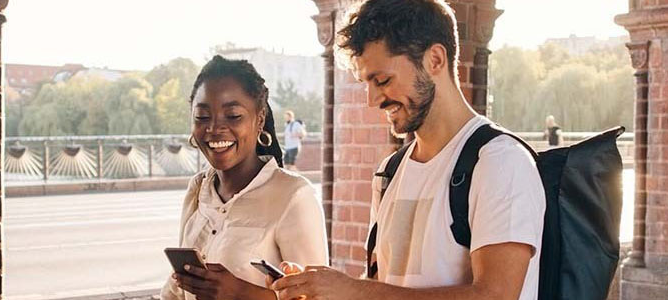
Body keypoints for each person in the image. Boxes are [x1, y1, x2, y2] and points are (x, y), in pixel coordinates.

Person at [270, 1, 545, 300]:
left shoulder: (499, 161)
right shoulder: (389, 172)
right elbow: (381, 285)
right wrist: (323, 290)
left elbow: (497, 296)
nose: (372, 100)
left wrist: (353, 290)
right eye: (366, 83)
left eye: (383, 80)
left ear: (435, 60)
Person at [161, 55, 328, 300]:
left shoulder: (293, 196)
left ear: (259, 120)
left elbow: (319, 298)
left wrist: (240, 293)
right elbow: (176, 291)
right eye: (202, 117)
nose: (215, 128)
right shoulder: (198, 189)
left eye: (233, 116)